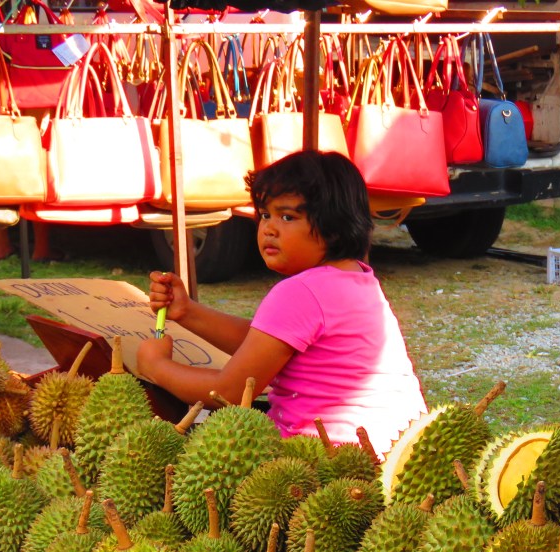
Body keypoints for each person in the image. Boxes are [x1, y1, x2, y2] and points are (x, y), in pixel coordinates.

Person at [135, 150, 428, 458]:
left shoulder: (299, 292)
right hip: (396, 455)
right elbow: (265, 344)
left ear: (334, 227)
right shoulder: (357, 279)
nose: (269, 229)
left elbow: (230, 392)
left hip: (326, 460)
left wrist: (157, 367)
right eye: (265, 215)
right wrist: (188, 313)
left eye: (287, 217)